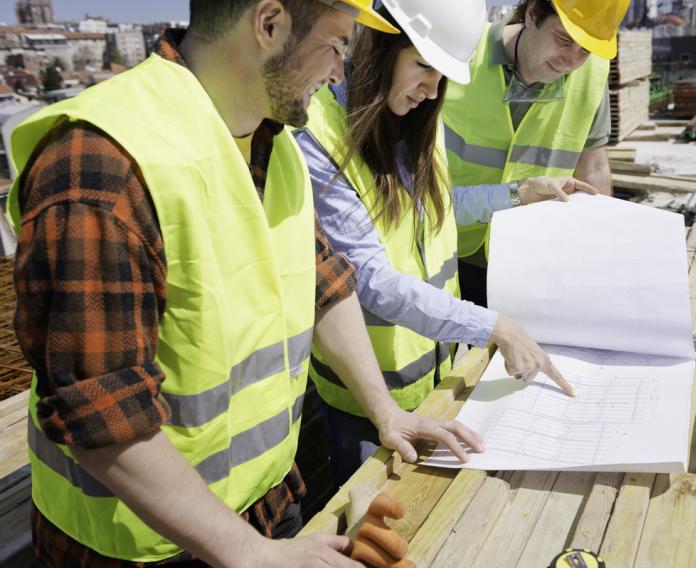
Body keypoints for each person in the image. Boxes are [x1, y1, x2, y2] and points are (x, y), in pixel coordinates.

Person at [7, 0, 482, 565]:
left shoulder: (272, 145)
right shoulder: (102, 164)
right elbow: (102, 413)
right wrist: (250, 554)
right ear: (269, 24)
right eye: (335, 46)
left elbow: (325, 286)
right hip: (142, 547)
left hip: (264, 510)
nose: (340, 71)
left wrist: (386, 412)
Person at [297, 0, 582, 484]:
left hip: (436, 380)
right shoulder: (318, 136)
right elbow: (369, 279)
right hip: (368, 403)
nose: (432, 90)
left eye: (442, 74)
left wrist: (519, 193)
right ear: (381, 47)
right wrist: (494, 326)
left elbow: (435, 210)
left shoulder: (416, 116)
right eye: (424, 66)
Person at [441, 0, 630, 307]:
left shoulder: (592, 75)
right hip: (448, 243)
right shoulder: (463, 53)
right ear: (531, 15)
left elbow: (594, 166)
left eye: (585, 49)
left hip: (528, 256)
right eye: (563, 39)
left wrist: (599, 247)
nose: (571, 60)